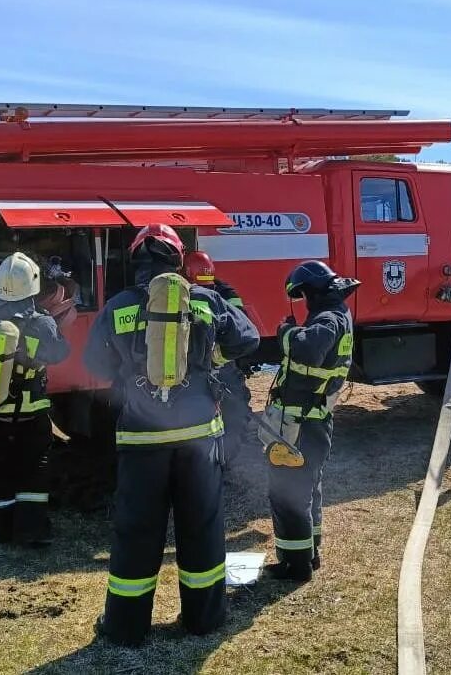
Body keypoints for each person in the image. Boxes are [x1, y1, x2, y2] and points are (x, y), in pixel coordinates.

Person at [82, 224, 259, 647]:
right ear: (178, 260)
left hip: (142, 441)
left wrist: (128, 375)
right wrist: (209, 354)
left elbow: (94, 363)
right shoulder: (204, 299)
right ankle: (204, 619)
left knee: (136, 532)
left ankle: (125, 627)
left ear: (136, 259)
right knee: (201, 527)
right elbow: (248, 338)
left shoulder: (119, 307)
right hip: (200, 438)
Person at [265, 260, 358, 582]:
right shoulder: (339, 313)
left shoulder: (329, 319)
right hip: (314, 421)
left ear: (314, 292)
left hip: (301, 423)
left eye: (304, 294)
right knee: (309, 488)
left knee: (288, 492)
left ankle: (297, 565)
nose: (303, 301)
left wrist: (286, 332)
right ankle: (309, 552)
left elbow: (307, 350)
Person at [0, 252, 70, 545]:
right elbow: (59, 354)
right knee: (33, 469)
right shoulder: (41, 321)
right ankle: (33, 530)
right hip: (29, 412)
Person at [183, 250, 254, 465]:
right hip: (218, 355)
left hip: (203, 357)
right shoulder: (223, 290)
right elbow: (243, 329)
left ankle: (217, 457)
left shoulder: (186, 293)